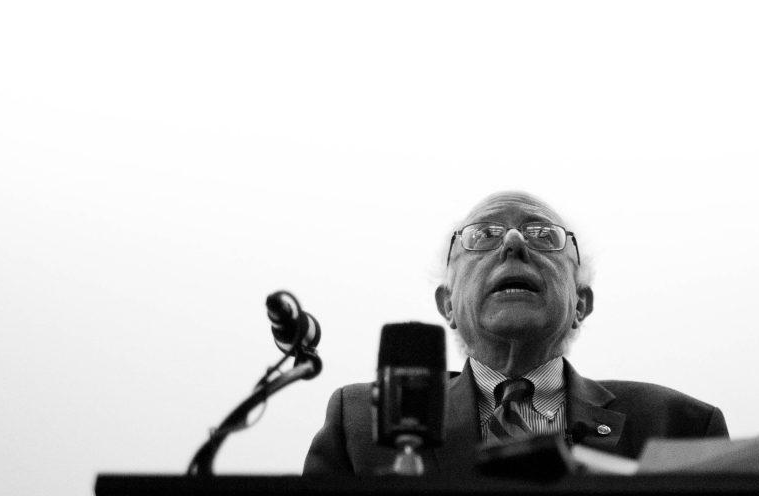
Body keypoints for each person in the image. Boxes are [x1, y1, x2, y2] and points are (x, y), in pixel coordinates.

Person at [303, 191, 727, 475]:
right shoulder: (359, 423)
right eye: (484, 235)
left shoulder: (677, 424)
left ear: (581, 303)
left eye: (542, 236)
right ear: (447, 304)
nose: (511, 242)